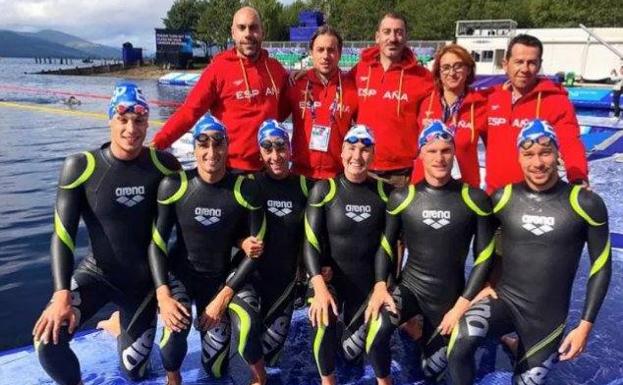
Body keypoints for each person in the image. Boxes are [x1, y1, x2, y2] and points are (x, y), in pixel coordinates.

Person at [33, 82, 181, 385]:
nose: (131, 128)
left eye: (139, 120)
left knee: (134, 370)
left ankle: (118, 326)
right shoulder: (81, 166)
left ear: (147, 122)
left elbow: (191, 216)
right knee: (47, 341)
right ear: (110, 119)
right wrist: (61, 292)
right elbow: (63, 235)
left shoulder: (164, 165)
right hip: (97, 274)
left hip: (143, 285)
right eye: (123, 119)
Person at [447, 119, 612, 385]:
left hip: (546, 319)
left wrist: (585, 326)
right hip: (507, 302)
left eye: (545, 153)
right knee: (461, 340)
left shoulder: (585, 203)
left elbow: (601, 266)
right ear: (519, 158)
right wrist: (487, 282)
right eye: (529, 154)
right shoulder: (503, 198)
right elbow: (489, 246)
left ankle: (522, 348)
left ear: (557, 154)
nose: (537, 163)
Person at [365, 121, 495, 384]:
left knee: (433, 370)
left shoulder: (473, 198)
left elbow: (484, 257)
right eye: (432, 150)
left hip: (451, 296)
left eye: (446, 150)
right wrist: (381, 286)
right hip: (412, 288)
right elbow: (387, 247)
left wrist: (461, 306)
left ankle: (424, 334)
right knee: (377, 328)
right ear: (421, 154)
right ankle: (384, 381)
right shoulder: (403, 198)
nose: (439, 158)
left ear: (454, 153)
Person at [148, 114, 266, 385]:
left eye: (218, 144)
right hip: (182, 275)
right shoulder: (175, 186)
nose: (211, 152)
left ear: (227, 148)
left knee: (222, 362)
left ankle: (260, 379)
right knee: (175, 329)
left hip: (221, 278)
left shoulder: (244, 188)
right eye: (203, 144)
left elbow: (255, 251)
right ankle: (173, 378)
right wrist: (163, 295)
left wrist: (223, 297)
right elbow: (157, 244)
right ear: (194, 148)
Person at [304, 124, 392, 385]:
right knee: (321, 316)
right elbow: (309, 242)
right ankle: (327, 380)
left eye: (365, 150)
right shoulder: (325, 190)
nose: (357, 156)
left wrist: (382, 285)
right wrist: (318, 283)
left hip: (366, 284)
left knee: (351, 352)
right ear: (341, 152)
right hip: (330, 281)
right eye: (351, 148)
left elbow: (387, 247)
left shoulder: (384, 194)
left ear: (373, 155)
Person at [151, 6, 288, 173]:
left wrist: (305, 76)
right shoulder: (218, 70)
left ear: (262, 31)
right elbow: (189, 112)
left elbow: (286, 108)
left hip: (268, 167)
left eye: (253, 27)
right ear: (233, 33)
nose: (248, 34)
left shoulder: (275, 69)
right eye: (241, 27)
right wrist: (158, 144)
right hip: (230, 168)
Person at [243, 119, 312, 372]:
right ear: (260, 152)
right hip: (251, 279)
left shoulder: (305, 186)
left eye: (281, 147)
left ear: (291, 149)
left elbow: (320, 233)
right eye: (267, 147)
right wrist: (241, 242)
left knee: (271, 356)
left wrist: (315, 270)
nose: (275, 155)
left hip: (284, 282)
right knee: (229, 347)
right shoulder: (248, 184)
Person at [485, 34, 588, 194]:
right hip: (495, 195)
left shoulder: (555, 101)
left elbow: (570, 142)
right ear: (505, 64)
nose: (525, 69)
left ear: (539, 65)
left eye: (532, 62)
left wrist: (577, 177)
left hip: (538, 196)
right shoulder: (490, 98)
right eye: (519, 62)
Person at [349, 12, 433, 188]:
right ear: (377, 36)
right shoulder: (360, 70)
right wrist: (309, 76)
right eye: (387, 32)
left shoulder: (423, 78)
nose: (393, 38)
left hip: (401, 176)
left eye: (398, 32)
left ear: (406, 37)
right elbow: (335, 84)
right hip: (363, 170)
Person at [282, 25, 358, 180]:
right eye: (320, 50)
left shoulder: (352, 87)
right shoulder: (296, 83)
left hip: (338, 176)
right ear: (311, 53)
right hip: (300, 175)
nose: (326, 56)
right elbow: (272, 115)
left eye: (331, 50)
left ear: (340, 53)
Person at [411, 44, 489, 188]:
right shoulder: (424, 101)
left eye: (458, 66)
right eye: (446, 67)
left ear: (468, 69)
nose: (452, 73)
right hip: (424, 186)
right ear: (438, 72)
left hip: (463, 188)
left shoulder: (481, 105)